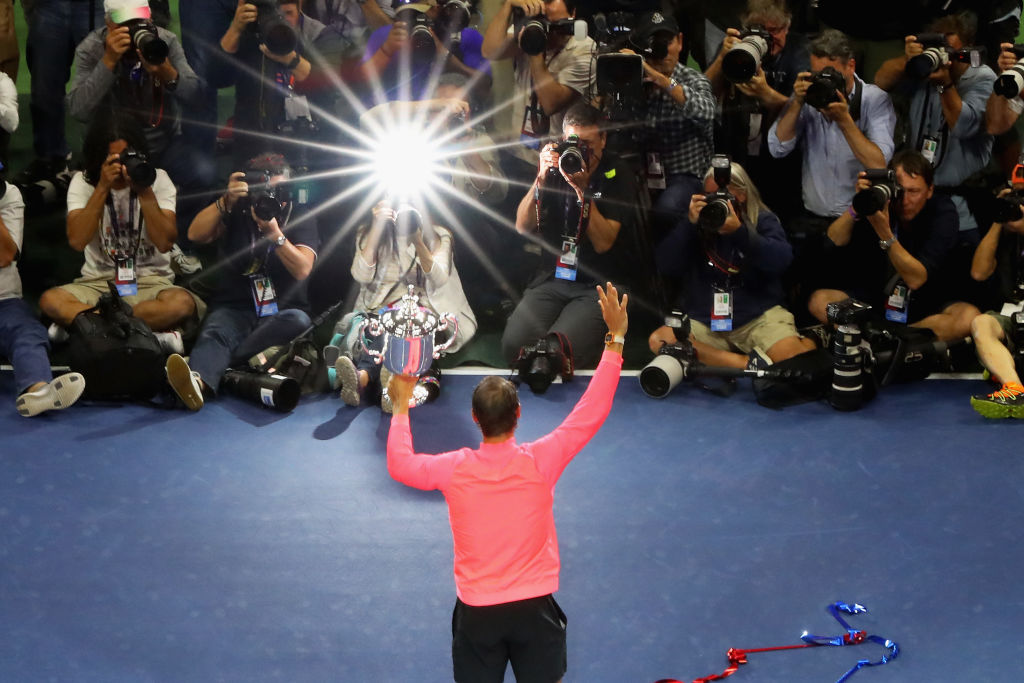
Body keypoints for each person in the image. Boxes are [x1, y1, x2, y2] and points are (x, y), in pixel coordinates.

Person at [386, 282, 627, 683]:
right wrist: (615, 338)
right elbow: (592, 411)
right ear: (517, 417)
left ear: (476, 419)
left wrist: (399, 406)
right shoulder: (542, 460)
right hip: (535, 610)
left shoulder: (453, 468)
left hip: (477, 613)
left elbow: (400, 465)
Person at [166, 154, 319, 411]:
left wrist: (275, 235)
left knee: (299, 322)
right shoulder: (237, 208)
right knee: (217, 330)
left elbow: (303, 268)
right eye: (266, 190)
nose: (274, 197)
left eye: (281, 189)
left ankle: (216, 365)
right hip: (236, 306)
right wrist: (225, 201)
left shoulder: (300, 213)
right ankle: (197, 385)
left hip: (281, 312)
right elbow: (195, 235)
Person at [38, 113, 202, 351]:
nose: (121, 166)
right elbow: (77, 240)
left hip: (150, 283)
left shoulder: (158, 180)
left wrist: (144, 191)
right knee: (51, 301)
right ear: (97, 159)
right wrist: (102, 187)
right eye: (112, 159)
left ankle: (86, 327)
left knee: (181, 304)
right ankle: (150, 333)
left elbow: (165, 243)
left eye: (126, 157)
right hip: (97, 284)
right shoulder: (83, 184)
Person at [502, 102, 637, 371]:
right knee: (513, 347)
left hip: (597, 284)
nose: (581, 152)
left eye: (588, 143)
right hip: (554, 278)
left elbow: (603, 242)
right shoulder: (557, 166)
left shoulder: (616, 172)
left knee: (558, 353)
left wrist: (582, 192)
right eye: (575, 143)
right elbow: (521, 226)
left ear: (603, 139)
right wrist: (540, 178)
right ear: (563, 140)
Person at [649, 159, 815, 370]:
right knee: (660, 341)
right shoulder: (696, 226)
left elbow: (781, 261)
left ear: (743, 195)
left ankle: (811, 340)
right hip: (707, 320)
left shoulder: (762, 220)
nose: (717, 203)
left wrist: (740, 234)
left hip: (758, 317)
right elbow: (666, 266)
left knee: (795, 361)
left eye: (725, 196)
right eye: (710, 196)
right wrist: (689, 226)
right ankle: (745, 363)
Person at [67, 0, 209, 236]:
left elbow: (197, 96)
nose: (134, 32)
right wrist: (108, 62)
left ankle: (176, 239)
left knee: (203, 172)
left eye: (139, 22)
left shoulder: (164, 41)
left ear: (150, 18)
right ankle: (115, 239)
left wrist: (167, 73)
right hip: (111, 150)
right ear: (109, 24)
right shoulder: (92, 47)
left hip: (161, 145)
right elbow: (78, 110)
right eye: (126, 25)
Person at [807, 150, 979, 342]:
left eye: (914, 191)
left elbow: (916, 278)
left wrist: (884, 232)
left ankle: (886, 340)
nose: (905, 200)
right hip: (875, 298)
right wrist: (859, 206)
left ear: (930, 190)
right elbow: (832, 241)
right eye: (900, 190)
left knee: (968, 318)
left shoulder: (942, 212)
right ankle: (891, 340)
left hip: (925, 300)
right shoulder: (881, 201)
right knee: (820, 301)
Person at [328, 198, 476, 410]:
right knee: (381, 329)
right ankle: (376, 384)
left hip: (420, 312)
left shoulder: (439, 235)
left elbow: (440, 279)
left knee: (403, 334)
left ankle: (368, 380)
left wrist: (418, 241)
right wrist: (376, 230)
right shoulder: (368, 233)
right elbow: (360, 274)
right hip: (378, 311)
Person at [873, 12, 997, 245]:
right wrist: (908, 60)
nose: (941, 42)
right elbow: (881, 81)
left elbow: (963, 126)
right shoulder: (924, 71)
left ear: (967, 43)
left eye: (948, 35)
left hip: (961, 211)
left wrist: (945, 84)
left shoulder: (983, 77)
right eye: (936, 37)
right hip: (917, 206)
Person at [767, 29, 896, 239]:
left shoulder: (874, 100)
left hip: (860, 220)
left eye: (831, 74)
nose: (825, 82)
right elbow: (777, 147)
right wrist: (797, 103)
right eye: (818, 74)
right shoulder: (809, 97)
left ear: (851, 66)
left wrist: (845, 120)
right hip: (811, 221)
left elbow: (878, 164)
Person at [703, 0, 809, 222]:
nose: (767, 39)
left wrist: (766, 94)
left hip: (782, 161)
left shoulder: (799, 51)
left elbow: (807, 113)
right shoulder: (738, 47)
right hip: (737, 148)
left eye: (774, 31)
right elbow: (704, 95)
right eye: (761, 31)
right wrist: (723, 58)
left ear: (787, 27)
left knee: (776, 219)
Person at [618, 11, 716, 243]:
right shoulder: (637, 80)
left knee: (667, 208)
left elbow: (707, 112)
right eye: (655, 44)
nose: (663, 50)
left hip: (686, 176)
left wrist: (661, 80)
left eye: (667, 42)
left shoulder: (694, 79)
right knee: (614, 202)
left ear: (680, 42)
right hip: (644, 172)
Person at [219, 0, 347, 166]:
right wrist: (235, 30)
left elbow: (330, 86)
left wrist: (290, 59)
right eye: (274, 15)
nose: (280, 22)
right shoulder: (249, 36)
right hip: (255, 145)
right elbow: (217, 79)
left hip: (312, 144)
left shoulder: (321, 35)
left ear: (300, 7)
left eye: (287, 14)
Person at [0, 178, 86, 417]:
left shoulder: (8, 194)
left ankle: (39, 391)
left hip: (3, 302)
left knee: (27, 333)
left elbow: (5, 255)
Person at [482, 0, 595, 162]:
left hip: (561, 158)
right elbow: (489, 51)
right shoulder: (530, 30)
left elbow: (551, 104)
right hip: (520, 153)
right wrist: (508, 6)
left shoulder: (585, 50)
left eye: (556, 26)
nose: (550, 32)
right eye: (545, 25)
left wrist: (535, 50)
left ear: (573, 14)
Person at [15, 0, 105, 186]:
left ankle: (100, 158)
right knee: (43, 88)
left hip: (97, 5)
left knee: (102, 84)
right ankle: (50, 157)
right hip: (48, 5)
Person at [360, 0, 491, 105]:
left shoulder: (467, 37)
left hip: (447, 124)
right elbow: (361, 86)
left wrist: (448, 59)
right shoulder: (390, 34)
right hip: (396, 121)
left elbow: (484, 91)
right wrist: (386, 50)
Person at [967, 185, 1024, 418]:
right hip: (1015, 316)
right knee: (981, 323)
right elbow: (979, 273)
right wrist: (998, 220)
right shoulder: (1005, 237)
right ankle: (1014, 389)